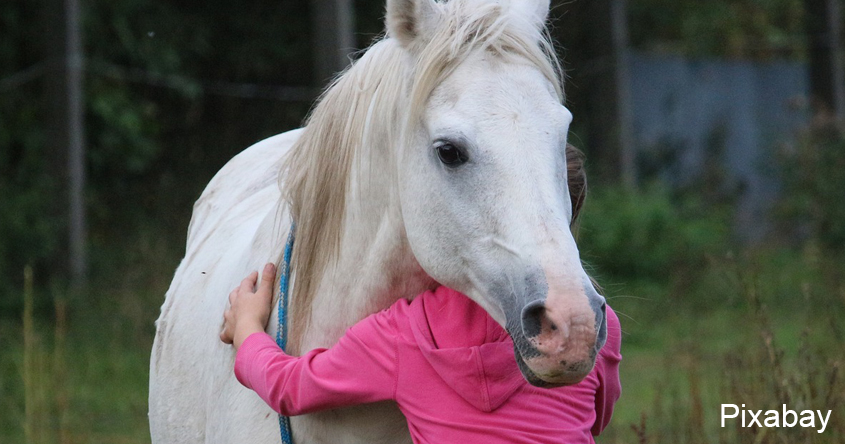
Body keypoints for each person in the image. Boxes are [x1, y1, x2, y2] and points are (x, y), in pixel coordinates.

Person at [220, 145, 622, 444]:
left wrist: (248, 329)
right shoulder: (590, 326)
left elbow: (291, 388)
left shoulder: (407, 334)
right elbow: (595, 418)